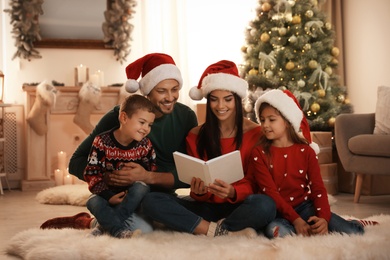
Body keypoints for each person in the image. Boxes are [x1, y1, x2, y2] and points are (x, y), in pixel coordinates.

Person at [40, 53, 198, 233]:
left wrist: (147, 176)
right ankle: (88, 222)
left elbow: (189, 173)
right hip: (126, 196)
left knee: (193, 215)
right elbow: (76, 162)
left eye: (175, 89)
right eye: (162, 90)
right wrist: (106, 177)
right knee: (144, 229)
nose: (170, 97)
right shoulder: (121, 115)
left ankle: (106, 222)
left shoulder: (186, 117)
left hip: (161, 197)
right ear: (147, 90)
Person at [142, 60, 276, 237]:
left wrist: (233, 191)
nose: (221, 106)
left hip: (241, 205)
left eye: (227, 99)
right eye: (214, 100)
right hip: (206, 208)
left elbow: (259, 182)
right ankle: (215, 229)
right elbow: (196, 185)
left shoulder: (257, 134)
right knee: (152, 201)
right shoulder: (195, 135)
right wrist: (199, 192)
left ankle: (215, 227)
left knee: (266, 205)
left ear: (237, 99)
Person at [247, 89, 379, 238]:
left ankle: (355, 223)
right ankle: (297, 227)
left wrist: (323, 217)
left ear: (288, 122)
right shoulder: (259, 153)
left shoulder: (306, 152)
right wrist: (296, 220)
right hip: (277, 212)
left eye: (271, 119)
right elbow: (271, 194)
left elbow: (318, 188)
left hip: (304, 207)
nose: (265, 125)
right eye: (262, 120)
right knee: (280, 234)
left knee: (353, 233)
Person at [84, 94, 156, 238]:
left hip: (132, 201)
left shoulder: (145, 144)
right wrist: (108, 196)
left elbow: (151, 170)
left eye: (149, 125)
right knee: (92, 201)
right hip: (106, 197)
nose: (146, 129)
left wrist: (140, 173)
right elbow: (91, 173)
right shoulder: (101, 141)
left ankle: (105, 226)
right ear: (124, 118)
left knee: (141, 187)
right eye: (142, 122)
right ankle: (116, 228)